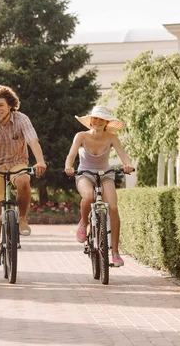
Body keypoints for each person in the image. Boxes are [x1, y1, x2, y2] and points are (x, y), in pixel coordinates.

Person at [0, 85, 47, 266]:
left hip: (17, 162)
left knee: (24, 180)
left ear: (10, 105)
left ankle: (21, 218)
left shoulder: (21, 119)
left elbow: (32, 141)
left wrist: (40, 161)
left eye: (0, 105)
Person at [64, 105, 134, 267]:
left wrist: (128, 165)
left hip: (105, 175)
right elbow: (72, 154)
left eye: (101, 119)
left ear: (106, 122)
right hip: (85, 174)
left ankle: (115, 252)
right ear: (90, 121)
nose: (97, 121)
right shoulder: (81, 136)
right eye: (95, 118)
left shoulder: (112, 138)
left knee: (114, 208)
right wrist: (69, 166)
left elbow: (123, 155)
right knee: (89, 196)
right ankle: (83, 223)